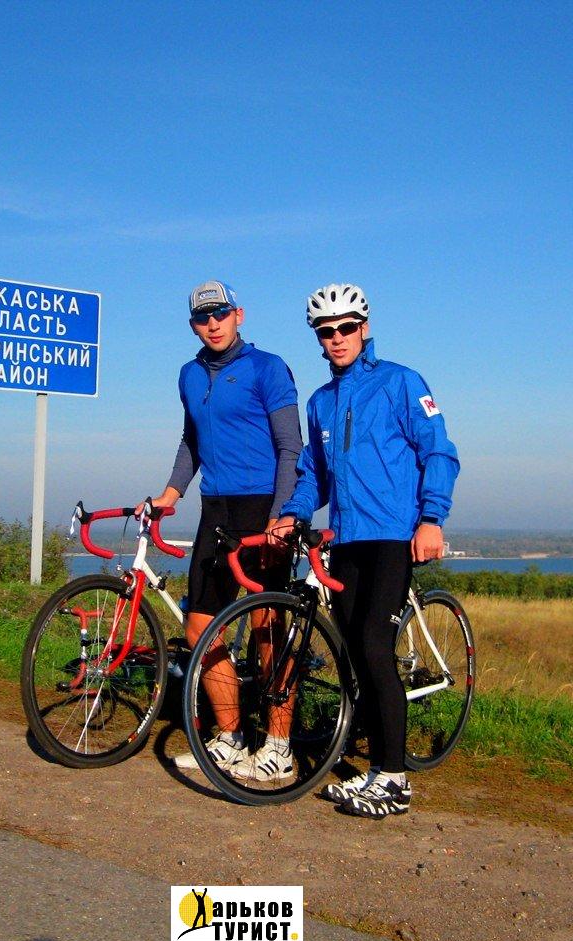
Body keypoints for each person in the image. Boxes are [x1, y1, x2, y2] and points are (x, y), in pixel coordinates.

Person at [273, 283, 459, 818]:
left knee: (375, 647)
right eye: (326, 331)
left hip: (394, 538)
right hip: (347, 541)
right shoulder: (321, 402)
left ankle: (395, 781)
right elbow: (315, 474)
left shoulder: (401, 382)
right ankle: (377, 768)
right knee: (356, 653)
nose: (337, 338)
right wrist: (293, 513)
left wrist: (432, 519)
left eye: (346, 328)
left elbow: (439, 451)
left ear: (364, 328)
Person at [146, 280, 302, 781]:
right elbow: (191, 441)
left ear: (239, 315)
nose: (212, 324)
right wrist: (171, 494)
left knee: (266, 627)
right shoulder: (189, 375)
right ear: (193, 325)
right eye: (202, 318)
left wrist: (283, 514)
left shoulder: (267, 368)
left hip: (264, 508)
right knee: (199, 626)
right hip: (216, 509)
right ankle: (231, 739)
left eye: (220, 314)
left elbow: (290, 447)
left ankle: (279, 746)